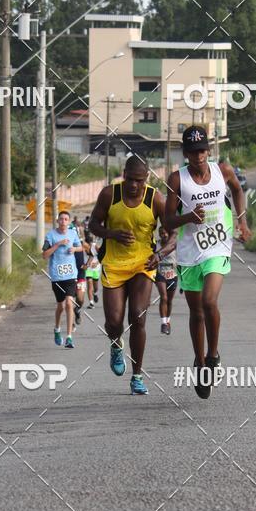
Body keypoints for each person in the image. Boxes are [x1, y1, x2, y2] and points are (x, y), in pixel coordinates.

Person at [164, 125, 250, 399]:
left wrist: (242, 222)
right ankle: (199, 362)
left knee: (209, 302)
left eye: (202, 150)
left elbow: (237, 191)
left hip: (218, 245)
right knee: (196, 312)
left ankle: (213, 355)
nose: (198, 156)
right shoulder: (177, 179)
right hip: (190, 251)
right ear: (186, 153)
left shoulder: (222, 171)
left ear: (208, 151)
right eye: (193, 151)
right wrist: (188, 217)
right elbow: (166, 221)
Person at [89, 154, 176, 395]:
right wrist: (112, 234)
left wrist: (159, 255)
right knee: (114, 322)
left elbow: (174, 234)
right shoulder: (109, 194)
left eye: (139, 180)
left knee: (138, 316)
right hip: (114, 265)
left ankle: (137, 376)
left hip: (142, 264)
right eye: (130, 179)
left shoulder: (155, 199)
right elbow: (93, 225)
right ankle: (116, 344)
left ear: (146, 178)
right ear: (124, 175)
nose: (134, 185)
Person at [42, 210, 80, 349]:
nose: (63, 221)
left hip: (71, 275)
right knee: (61, 306)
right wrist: (57, 244)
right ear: (58, 221)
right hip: (57, 276)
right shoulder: (50, 235)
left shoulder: (73, 233)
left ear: (69, 222)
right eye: (61, 219)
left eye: (66, 219)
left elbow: (80, 247)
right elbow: (44, 255)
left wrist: (75, 250)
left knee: (69, 304)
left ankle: (69, 337)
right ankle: (57, 329)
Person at [155, 226, 177, 335]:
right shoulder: (156, 245)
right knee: (163, 297)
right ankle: (163, 323)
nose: (164, 235)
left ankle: (168, 321)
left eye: (165, 233)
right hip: (160, 274)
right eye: (161, 233)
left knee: (169, 300)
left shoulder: (173, 245)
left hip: (173, 275)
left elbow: (181, 261)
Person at [84, 232, 101, 309]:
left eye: (90, 245)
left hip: (96, 268)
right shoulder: (82, 248)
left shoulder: (95, 246)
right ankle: (91, 303)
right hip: (88, 269)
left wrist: (97, 263)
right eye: (88, 245)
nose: (89, 246)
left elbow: (102, 256)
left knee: (95, 286)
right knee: (89, 284)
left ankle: (95, 293)